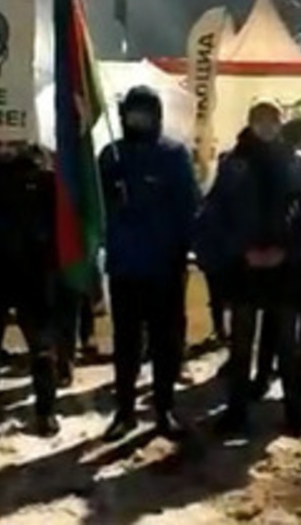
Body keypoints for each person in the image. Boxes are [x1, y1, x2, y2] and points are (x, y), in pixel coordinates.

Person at [198, 100, 301, 437]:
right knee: (241, 343)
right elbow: (217, 214)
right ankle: (236, 410)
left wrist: (287, 250)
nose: (266, 126)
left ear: (281, 124)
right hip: (244, 265)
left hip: (284, 265)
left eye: (272, 120)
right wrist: (241, 250)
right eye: (259, 120)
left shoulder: (298, 164)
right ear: (250, 124)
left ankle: (293, 409)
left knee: (286, 342)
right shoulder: (233, 163)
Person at [98, 86, 199, 442]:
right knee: (125, 344)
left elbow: (189, 206)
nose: (137, 119)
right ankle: (124, 411)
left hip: (164, 266)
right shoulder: (111, 155)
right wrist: (114, 193)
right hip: (125, 265)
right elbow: (97, 209)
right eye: (132, 112)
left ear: (156, 116)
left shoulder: (173, 155)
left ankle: (164, 408)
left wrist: (185, 248)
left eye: (144, 113)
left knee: (165, 343)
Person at [0, 140, 60, 436]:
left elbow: (57, 223)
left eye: (11, 141)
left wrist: (49, 260)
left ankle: (46, 411)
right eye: (0, 141)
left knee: (41, 347)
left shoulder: (42, 173)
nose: (6, 147)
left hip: (32, 272)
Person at [254, 117, 301, 401]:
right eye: (292, 139)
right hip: (282, 257)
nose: (298, 145)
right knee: (273, 319)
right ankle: (263, 372)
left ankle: (300, 375)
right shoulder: (278, 165)